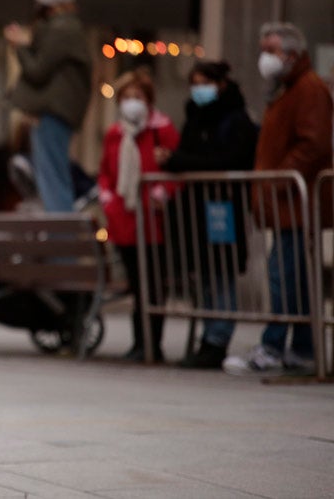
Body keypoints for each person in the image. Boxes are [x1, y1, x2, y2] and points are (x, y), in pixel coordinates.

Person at [223, 22, 333, 376]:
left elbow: (314, 144)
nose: (265, 58)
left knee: (283, 275)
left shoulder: (307, 89)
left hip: (296, 202)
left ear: (292, 53)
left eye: (271, 50)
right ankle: (300, 349)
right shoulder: (288, 90)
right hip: (288, 203)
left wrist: (280, 179)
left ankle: (273, 346)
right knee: (294, 277)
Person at [159, 61, 258, 369]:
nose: (198, 89)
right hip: (198, 210)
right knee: (205, 273)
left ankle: (217, 338)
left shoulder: (235, 119)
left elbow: (229, 159)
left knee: (221, 272)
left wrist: (179, 161)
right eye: (194, 83)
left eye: (204, 82)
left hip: (222, 207)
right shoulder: (196, 116)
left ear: (221, 84)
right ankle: (208, 337)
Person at [97, 71, 179, 363]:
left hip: (152, 221)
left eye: (138, 98)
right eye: (127, 98)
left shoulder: (162, 129)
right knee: (136, 284)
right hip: (124, 220)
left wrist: (162, 193)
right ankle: (139, 343)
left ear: (149, 101)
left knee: (153, 286)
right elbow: (106, 171)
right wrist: (107, 199)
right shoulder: (115, 133)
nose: (132, 103)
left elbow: (175, 169)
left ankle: (152, 343)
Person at [5, 0, 92, 213]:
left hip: (53, 114)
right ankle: (60, 240)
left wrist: (20, 46)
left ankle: (61, 243)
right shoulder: (65, 28)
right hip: (57, 113)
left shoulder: (62, 29)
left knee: (52, 180)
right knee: (52, 177)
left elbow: (38, 70)